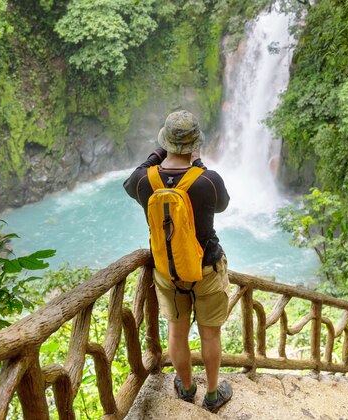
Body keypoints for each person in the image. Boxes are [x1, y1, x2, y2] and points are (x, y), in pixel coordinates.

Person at [123, 110, 232, 413]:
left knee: (176, 330)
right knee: (210, 333)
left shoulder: (146, 180)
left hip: (167, 271)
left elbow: (130, 181)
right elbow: (222, 205)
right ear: (195, 144)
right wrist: (198, 164)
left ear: (165, 142)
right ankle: (212, 394)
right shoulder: (207, 180)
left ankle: (185, 387)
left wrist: (157, 154)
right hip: (206, 268)